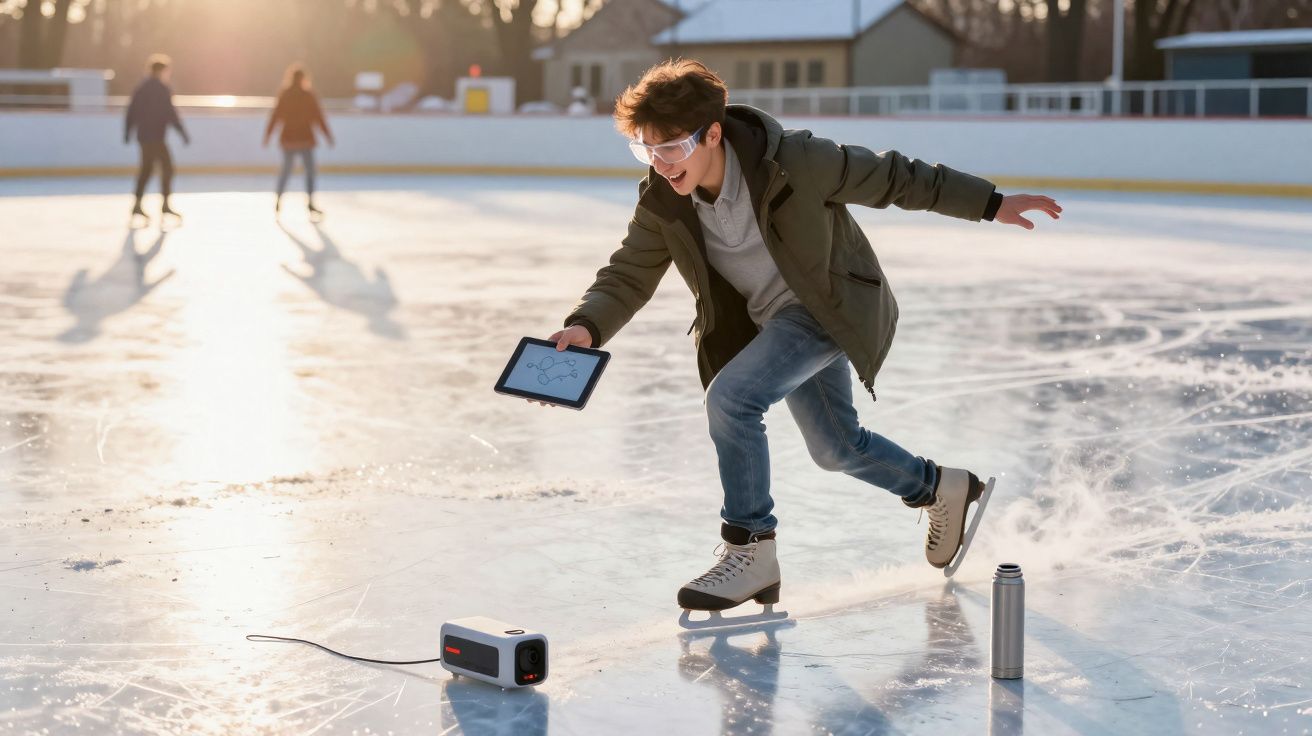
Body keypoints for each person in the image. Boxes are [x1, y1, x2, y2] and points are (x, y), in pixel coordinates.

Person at [545, 60, 1062, 614]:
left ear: (712, 134)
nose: (659, 162)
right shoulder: (662, 198)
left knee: (732, 398)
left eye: (670, 147)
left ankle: (751, 548)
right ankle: (940, 487)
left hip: (828, 307)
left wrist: (988, 203)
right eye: (645, 149)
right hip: (770, 321)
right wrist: (587, 323)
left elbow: (895, 176)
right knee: (836, 447)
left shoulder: (795, 161)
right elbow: (629, 271)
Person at [124, 54, 189, 223]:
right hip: (156, 137)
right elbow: (170, 113)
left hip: (144, 136)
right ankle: (163, 204)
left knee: (147, 169)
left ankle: (139, 204)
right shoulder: (162, 88)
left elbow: (131, 111)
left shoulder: (142, 87)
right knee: (166, 168)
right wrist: (181, 131)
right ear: (161, 71)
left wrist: (128, 131)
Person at [264, 64, 334, 219]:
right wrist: (327, 136)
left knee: (286, 171)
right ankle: (309, 202)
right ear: (303, 79)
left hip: (289, 140)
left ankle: (279, 199)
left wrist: (268, 136)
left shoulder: (285, 94)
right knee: (309, 172)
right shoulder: (308, 95)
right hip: (305, 140)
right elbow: (318, 117)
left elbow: (275, 116)